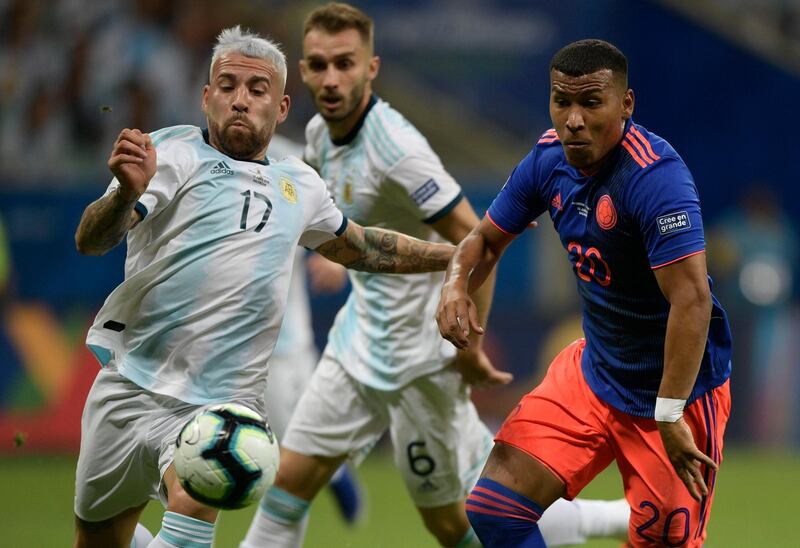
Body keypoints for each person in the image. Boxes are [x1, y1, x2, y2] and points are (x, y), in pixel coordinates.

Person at [242, 6, 629, 548]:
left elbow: (479, 242)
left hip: (421, 367)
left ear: (371, 68)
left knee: (450, 524)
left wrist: (467, 348)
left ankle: (612, 519)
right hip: (355, 348)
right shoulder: (317, 135)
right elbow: (346, 214)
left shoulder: (396, 149)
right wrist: (338, 252)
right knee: (288, 484)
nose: (332, 79)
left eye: (345, 64)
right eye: (320, 65)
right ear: (303, 71)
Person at [73, 26, 456, 548]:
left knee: (190, 521)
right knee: (98, 539)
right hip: (128, 385)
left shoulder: (301, 183)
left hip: (220, 404)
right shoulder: (169, 154)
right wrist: (122, 198)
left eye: (257, 91)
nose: (239, 99)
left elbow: (361, 247)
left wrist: (456, 255)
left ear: (280, 107)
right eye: (227, 85)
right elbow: (91, 241)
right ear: (206, 97)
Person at [437, 39, 732, 547]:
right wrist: (455, 283)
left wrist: (670, 411)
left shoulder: (655, 178)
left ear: (626, 104)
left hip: (674, 394)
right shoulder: (548, 158)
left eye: (591, 103)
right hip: (594, 375)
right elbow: (483, 240)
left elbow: (693, 301)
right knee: (495, 509)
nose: (572, 119)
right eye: (561, 101)